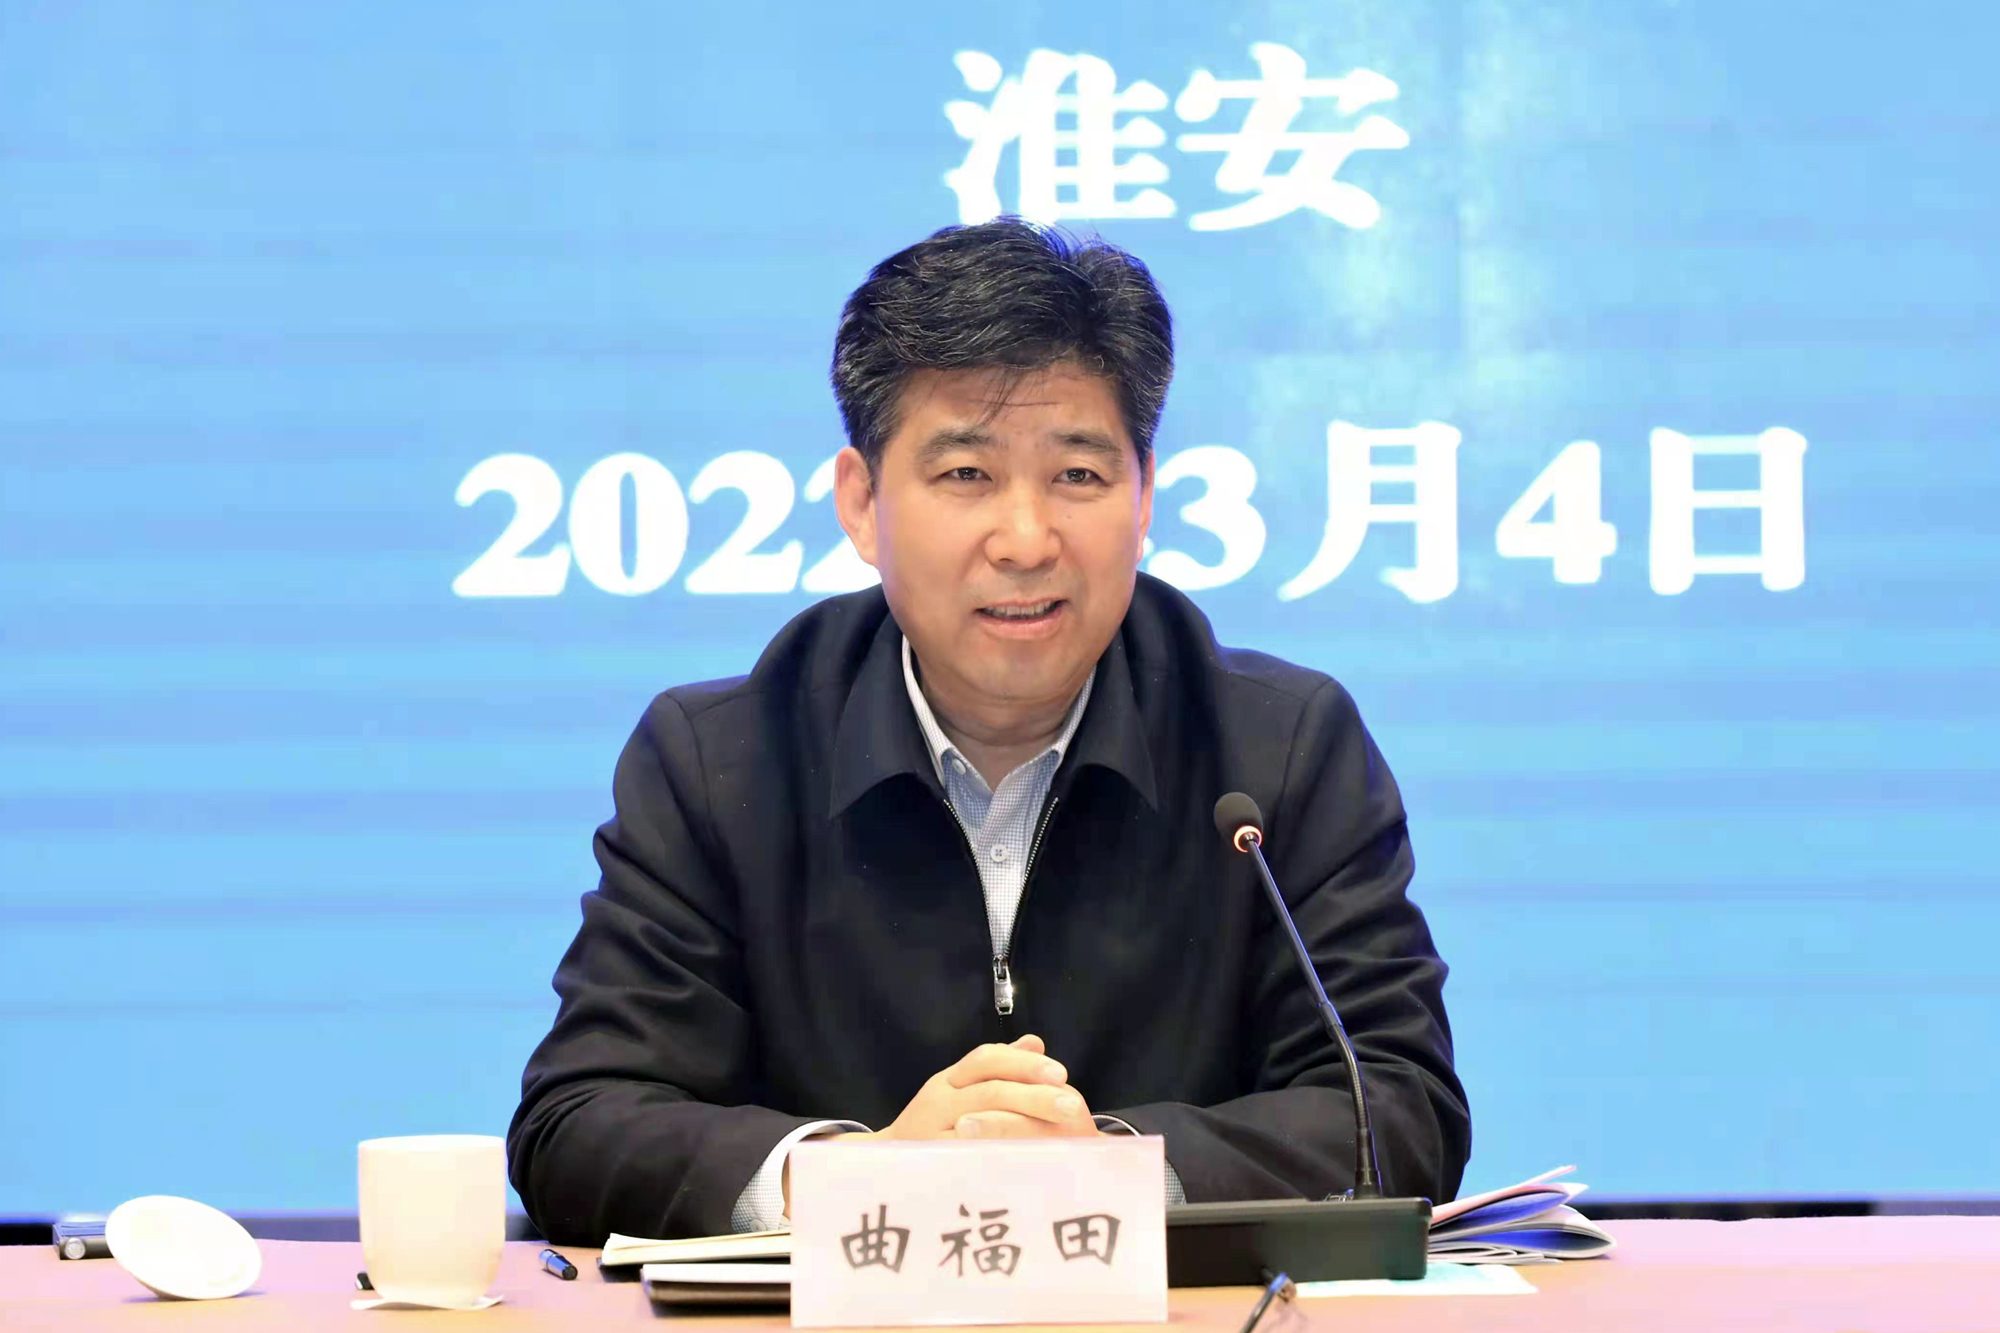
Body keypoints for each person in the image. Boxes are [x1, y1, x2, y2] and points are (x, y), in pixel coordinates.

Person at [507, 219, 1470, 1245]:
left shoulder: (1280, 752)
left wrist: (1107, 1170)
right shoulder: (718, 762)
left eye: (1078, 476)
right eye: (965, 474)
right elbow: (580, 1122)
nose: (1024, 539)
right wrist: (850, 1177)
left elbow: (1397, 1105)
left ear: (1145, 495)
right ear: (861, 502)